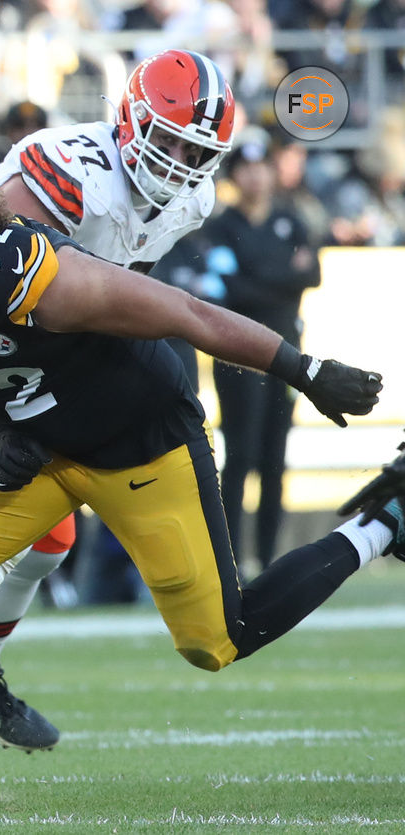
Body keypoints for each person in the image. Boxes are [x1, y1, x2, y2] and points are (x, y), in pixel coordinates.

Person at [0, 130, 388, 806]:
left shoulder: (21, 272)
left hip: (138, 438)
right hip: (38, 440)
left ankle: (382, 524)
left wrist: (304, 370)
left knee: (218, 639)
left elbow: (184, 314)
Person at [0, 48, 236, 785]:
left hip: (16, 363)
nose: (181, 162)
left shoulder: (191, 200)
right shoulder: (66, 173)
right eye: (171, 140)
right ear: (132, 120)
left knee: (51, 540)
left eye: (196, 150)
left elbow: (114, 297)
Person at [204, 129, 321, 571]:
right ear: (236, 175)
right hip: (238, 356)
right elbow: (225, 290)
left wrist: (254, 279)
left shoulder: (292, 220)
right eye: (246, 169)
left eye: (262, 168)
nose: (255, 177)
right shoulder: (220, 227)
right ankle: (230, 556)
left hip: (289, 356)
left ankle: (271, 558)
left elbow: (311, 275)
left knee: (275, 458)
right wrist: (278, 277)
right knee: (241, 454)